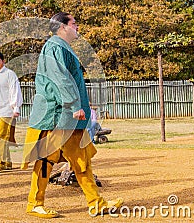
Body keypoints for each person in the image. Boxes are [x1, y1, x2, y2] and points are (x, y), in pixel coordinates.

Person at [21, 12, 123, 218]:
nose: (77, 27)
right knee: (46, 159)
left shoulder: (63, 47)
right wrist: (74, 104)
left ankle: (96, 202)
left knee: (81, 159)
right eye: (74, 23)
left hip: (71, 118)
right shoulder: (54, 47)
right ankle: (34, 203)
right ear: (62, 27)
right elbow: (60, 78)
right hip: (57, 116)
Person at [0, 51, 23, 173]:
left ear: (3, 61)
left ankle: (1, 162)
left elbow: (15, 91)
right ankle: (7, 162)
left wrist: (16, 108)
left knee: (1, 137)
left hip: (6, 111)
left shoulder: (9, 74)